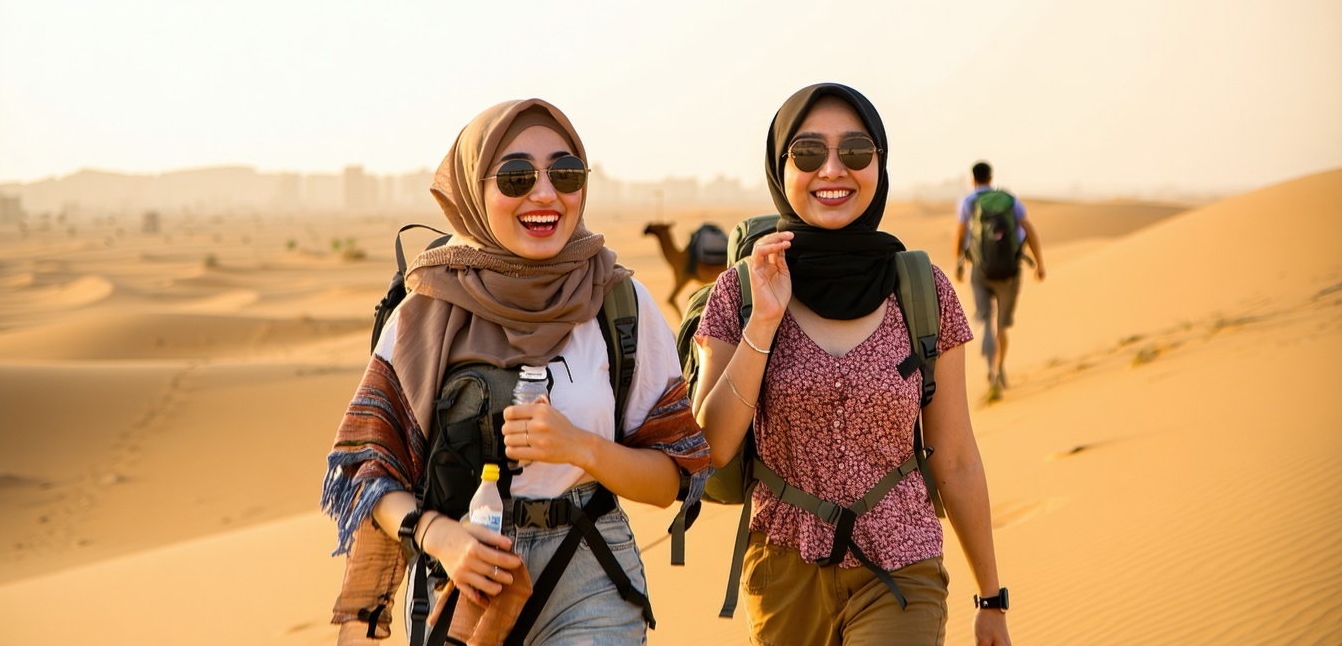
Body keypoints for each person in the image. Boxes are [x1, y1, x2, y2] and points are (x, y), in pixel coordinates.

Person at [322, 99, 710, 645]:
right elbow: (370, 473)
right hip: (457, 579)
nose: (546, 193)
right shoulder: (426, 311)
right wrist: (441, 537)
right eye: (516, 176)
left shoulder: (620, 302)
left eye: (566, 173)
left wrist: (583, 448)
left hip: (589, 571)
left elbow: (673, 475)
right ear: (473, 191)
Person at [692, 82, 1011, 646]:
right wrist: (763, 322)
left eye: (856, 152)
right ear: (780, 169)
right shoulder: (739, 291)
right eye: (809, 153)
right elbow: (710, 447)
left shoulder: (924, 290)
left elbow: (957, 458)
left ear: (879, 166)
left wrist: (991, 598)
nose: (833, 170)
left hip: (902, 562)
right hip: (782, 572)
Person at [953, 161, 1046, 400]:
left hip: (980, 270)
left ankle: (988, 360)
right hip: (1010, 271)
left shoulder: (968, 202)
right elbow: (1029, 229)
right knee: (1002, 326)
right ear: (991, 177)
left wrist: (958, 264)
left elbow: (961, 233)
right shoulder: (1010, 200)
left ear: (973, 179)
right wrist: (1040, 264)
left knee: (985, 319)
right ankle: (999, 367)